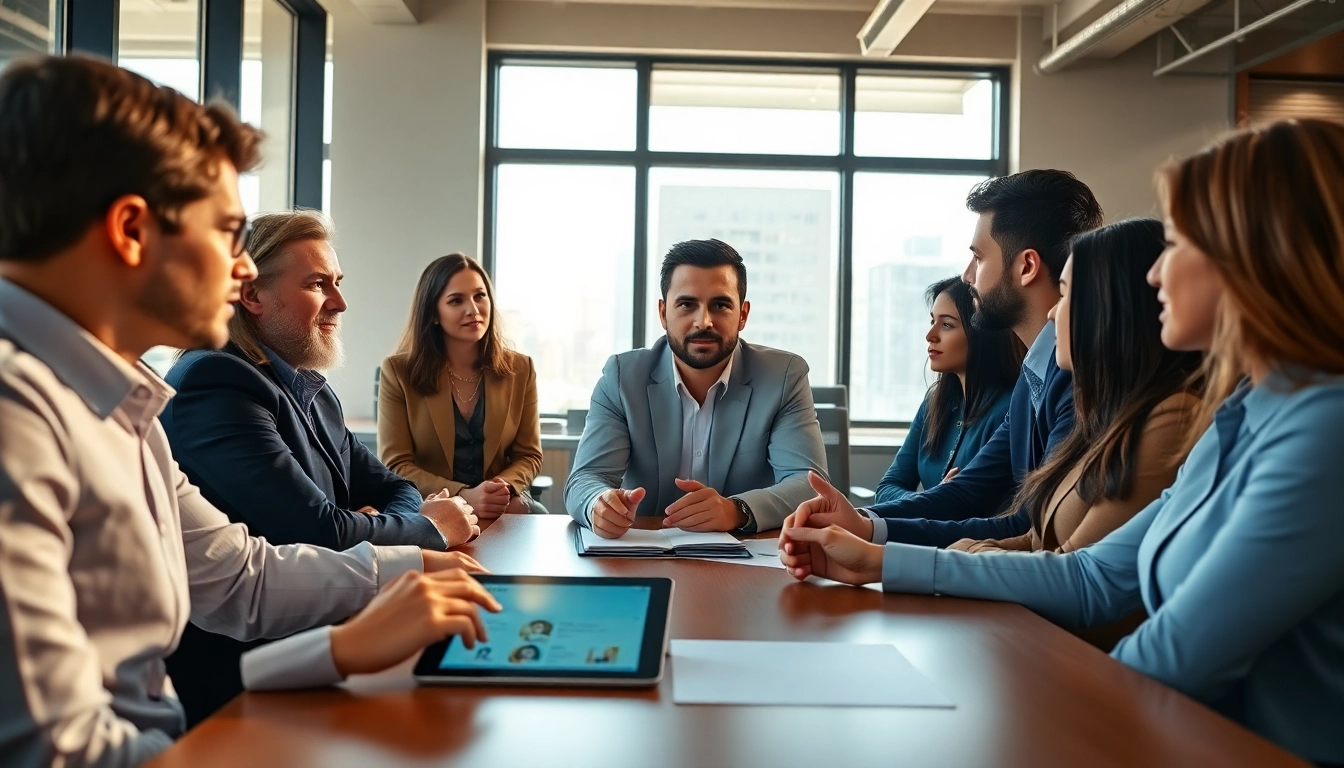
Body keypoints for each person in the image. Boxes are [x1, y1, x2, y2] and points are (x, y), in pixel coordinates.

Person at [779, 119, 1344, 764]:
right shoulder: (1237, 418)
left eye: (1182, 242)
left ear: (1260, 257)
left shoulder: (1323, 429)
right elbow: (1092, 576)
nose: (1156, 274)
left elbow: (1171, 658)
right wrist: (876, 561)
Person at [0, 56, 500, 767]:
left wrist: (391, 588)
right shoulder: (17, 414)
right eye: (226, 233)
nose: (241, 272)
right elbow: (58, 753)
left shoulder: (121, 405)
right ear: (132, 230)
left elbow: (240, 579)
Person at [159, 210, 481, 724]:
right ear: (252, 296)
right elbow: (319, 529)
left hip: (321, 629)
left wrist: (372, 523)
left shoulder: (311, 387)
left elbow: (391, 487)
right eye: (317, 284)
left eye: (337, 283)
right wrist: (427, 529)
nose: (340, 302)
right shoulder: (215, 382)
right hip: (239, 678)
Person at [788, 170, 1104, 547]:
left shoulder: (1078, 380)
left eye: (978, 257)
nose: (967, 275)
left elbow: (1030, 526)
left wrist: (872, 535)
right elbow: (969, 491)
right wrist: (862, 520)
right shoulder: (1034, 373)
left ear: (1027, 266)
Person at [563, 239, 827, 537]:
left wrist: (736, 509)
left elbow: (809, 485)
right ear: (663, 313)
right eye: (687, 304)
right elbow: (585, 478)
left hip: (746, 559)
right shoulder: (623, 378)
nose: (704, 322)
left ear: (743, 314)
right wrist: (598, 504)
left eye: (721, 305)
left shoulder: (783, 377)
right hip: (646, 552)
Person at [379, 253, 546, 516]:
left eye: (480, 296)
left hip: (503, 505)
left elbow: (529, 456)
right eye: (456, 300)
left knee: (526, 516)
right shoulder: (399, 372)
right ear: (434, 312)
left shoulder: (521, 369)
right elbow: (396, 464)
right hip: (432, 506)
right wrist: (463, 495)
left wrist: (499, 489)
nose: (473, 309)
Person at [875, 277, 1022, 503]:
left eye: (946, 325)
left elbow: (977, 509)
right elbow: (886, 489)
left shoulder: (1009, 410)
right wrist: (934, 499)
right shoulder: (934, 403)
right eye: (932, 321)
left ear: (980, 333)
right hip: (924, 536)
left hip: (970, 539)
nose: (930, 335)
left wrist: (932, 501)